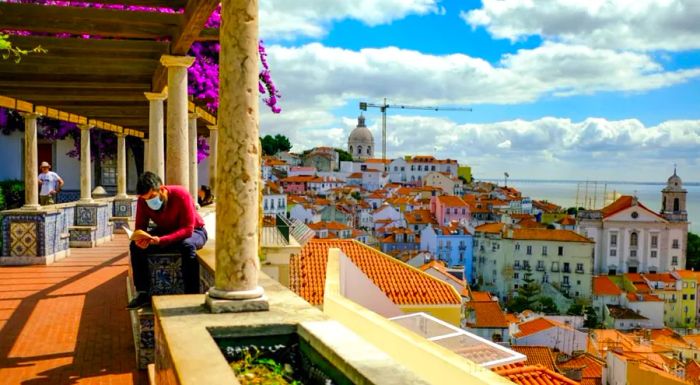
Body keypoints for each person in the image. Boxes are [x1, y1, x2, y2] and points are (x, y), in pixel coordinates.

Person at [127, 172, 207, 309]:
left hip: (195, 231)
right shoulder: (142, 201)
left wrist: (161, 240)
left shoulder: (180, 194)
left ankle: (192, 294)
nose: (150, 201)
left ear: (162, 189)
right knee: (135, 247)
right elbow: (140, 227)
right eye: (146, 199)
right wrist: (141, 238)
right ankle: (143, 293)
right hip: (166, 231)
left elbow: (188, 229)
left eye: (152, 196)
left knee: (187, 246)